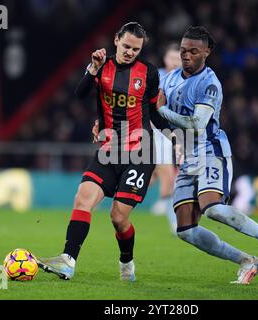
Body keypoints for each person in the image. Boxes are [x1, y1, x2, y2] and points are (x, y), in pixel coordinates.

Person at [37, 22, 170, 281]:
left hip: (140, 153)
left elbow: (153, 110)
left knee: (118, 218)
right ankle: (68, 260)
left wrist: (173, 136)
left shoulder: (149, 73)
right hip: (109, 150)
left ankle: (126, 262)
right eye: (127, 46)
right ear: (117, 40)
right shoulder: (102, 66)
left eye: (137, 49)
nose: (131, 52)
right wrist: (93, 69)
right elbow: (80, 94)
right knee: (83, 197)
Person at [156, 26, 258, 284]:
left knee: (213, 209)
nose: (186, 55)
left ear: (207, 52)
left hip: (210, 151)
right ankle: (247, 261)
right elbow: (156, 110)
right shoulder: (169, 79)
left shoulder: (210, 83)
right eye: (183, 50)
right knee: (185, 230)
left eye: (193, 51)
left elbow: (196, 123)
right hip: (187, 158)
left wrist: (162, 111)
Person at [150, 43, 182, 233]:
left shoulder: (186, 79)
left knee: (152, 176)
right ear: (165, 59)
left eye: (178, 59)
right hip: (155, 132)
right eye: (172, 58)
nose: (175, 62)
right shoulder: (157, 78)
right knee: (168, 176)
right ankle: (174, 222)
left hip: (175, 133)